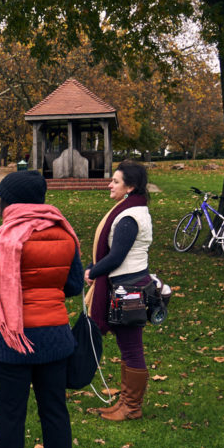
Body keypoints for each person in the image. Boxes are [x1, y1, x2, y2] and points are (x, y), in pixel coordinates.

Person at [0, 170, 84, 448]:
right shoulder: (65, 234)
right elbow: (74, 286)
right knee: (54, 410)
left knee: (10, 414)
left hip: (11, 342)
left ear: (8, 201)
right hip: (53, 337)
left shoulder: (3, 238)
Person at [85, 160, 153, 421]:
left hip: (129, 288)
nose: (110, 184)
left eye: (115, 181)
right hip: (127, 284)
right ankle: (125, 401)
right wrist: (96, 266)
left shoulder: (129, 216)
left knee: (132, 348)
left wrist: (93, 271)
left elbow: (117, 256)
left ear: (130, 187)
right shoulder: (131, 210)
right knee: (128, 347)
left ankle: (131, 407)